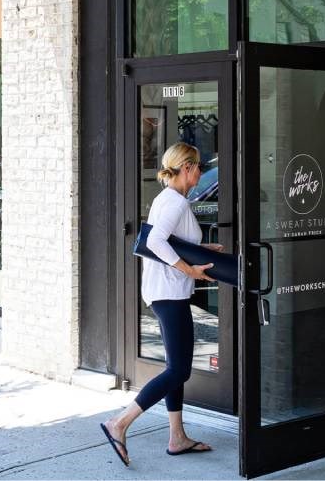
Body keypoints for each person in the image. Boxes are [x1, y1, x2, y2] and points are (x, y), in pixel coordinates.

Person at [100, 142, 224, 467]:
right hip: (169, 295)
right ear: (187, 168)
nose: (200, 171)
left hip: (166, 293)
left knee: (175, 368)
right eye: (198, 166)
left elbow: (171, 242)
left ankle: (177, 437)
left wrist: (206, 250)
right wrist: (190, 270)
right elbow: (155, 242)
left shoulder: (169, 199)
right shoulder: (176, 203)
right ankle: (120, 423)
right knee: (179, 369)